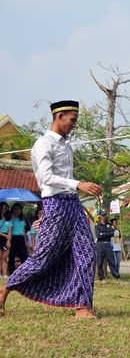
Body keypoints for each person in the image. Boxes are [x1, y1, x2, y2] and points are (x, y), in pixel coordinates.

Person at [0, 100, 103, 318]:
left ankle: (83, 306)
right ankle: (6, 288)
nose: (74, 125)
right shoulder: (43, 144)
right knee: (44, 257)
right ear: (60, 117)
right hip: (56, 205)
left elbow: (63, 179)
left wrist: (77, 189)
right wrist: (78, 184)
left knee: (86, 253)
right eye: (72, 120)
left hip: (73, 204)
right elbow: (46, 178)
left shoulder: (66, 145)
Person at [95, 211, 120, 281]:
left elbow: (112, 233)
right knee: (100, 262)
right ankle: (101, 277)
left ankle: (116, 276)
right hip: (100, 244)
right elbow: (98, 236)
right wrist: (105, 234)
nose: (104, 217)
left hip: (108, 244)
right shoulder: (97, 225)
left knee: (112, 261)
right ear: (100, 216)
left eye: (105, 215)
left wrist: (103, 234)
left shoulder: (109, 224)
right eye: (103, 215)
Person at [7, 203, 31, 275]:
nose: (18, 211)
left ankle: (24, 272)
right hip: (13, 238)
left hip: (21, 239)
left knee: (23, 256)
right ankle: (11, 273)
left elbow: (23, 231)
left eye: (19, 209)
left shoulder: (22, 219)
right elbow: (8, 230)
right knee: (12, 256)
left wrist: (26, 241)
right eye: (16, 209)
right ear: (13, 210)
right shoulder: (10, 218)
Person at [0, 202, 11, 279]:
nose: (4, 209)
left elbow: (10, 231)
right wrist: (5, 235)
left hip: (6, 239)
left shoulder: (9, 219)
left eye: (6, 208)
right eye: (2, 207)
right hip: (2, 236)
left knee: (4, 258)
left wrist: (8, 240)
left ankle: (4, 274)